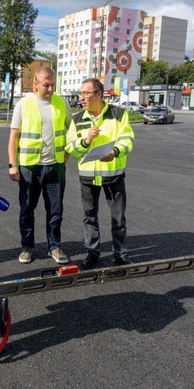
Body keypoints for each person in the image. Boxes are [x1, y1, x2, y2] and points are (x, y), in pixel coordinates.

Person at [65, 78, 135, 270]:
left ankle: (120, 254)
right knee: (90, 216)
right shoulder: (77, 118)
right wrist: (86, 141)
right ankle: (92, 252)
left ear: (98, 94)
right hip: (87, 176)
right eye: (80, 94)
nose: (81, 98)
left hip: (113, 174)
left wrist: (114, 152)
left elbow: (127, 139)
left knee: (118, 217)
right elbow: (70, 146)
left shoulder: (119, 114)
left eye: (86, 93)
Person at [8, 67, 72, 265]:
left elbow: (71, 131)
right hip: (30, 167)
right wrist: (12, 164)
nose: (51, 89)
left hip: (55, 166)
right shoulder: (24, 104)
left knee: (56, 210)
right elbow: (13, 137)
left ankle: (54, 246)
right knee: (27, 209)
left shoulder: (62, 103)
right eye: (46, 85)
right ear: (35, 84)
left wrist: (67, 153)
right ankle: (27, 247)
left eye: (53, 84)